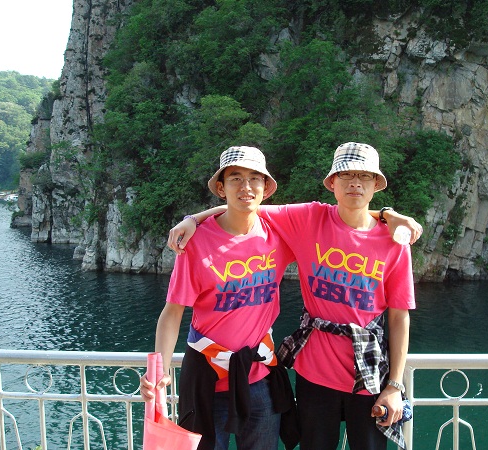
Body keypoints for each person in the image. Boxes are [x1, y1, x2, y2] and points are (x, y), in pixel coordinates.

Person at [169, 142, 418, 450]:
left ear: (376, 184)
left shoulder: (394, 242)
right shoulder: (309, 219)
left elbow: (399, 317)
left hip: (368, 372)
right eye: (346, 175)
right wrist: (193, 219)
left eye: (365, 176)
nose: (355, 183)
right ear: (332, 182)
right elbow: (244, 204)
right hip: (314, 374)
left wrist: (394, 385)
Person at [140, 146, 299, 450]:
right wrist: (159, 371)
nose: (246, 186)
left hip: (259, 376)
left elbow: (338, 215)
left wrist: (387, 216)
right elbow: (172, 312)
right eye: (235, 178)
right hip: (207, 378)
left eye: (254, 178)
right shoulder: (197, 242)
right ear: (221, 188)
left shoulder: (279, 234)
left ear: (265, 187)